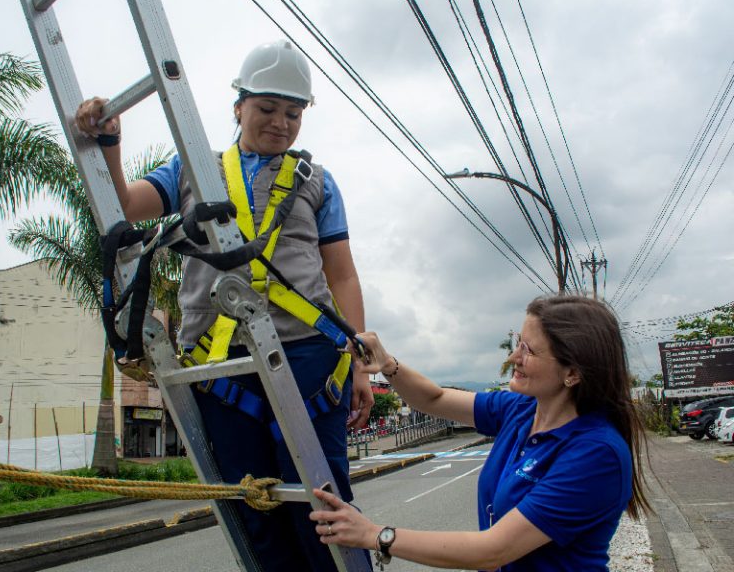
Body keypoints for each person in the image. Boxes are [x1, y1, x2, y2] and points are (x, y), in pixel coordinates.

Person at [75, 40, 373, 571]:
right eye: (267, 109)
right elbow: (126, 206)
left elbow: (342, 273)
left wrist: (360, 364)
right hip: (219, 365)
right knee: (252, 505)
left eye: (293, 113)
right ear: (238, 106)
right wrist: (111, 143)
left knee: (322, 505)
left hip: (307, 352)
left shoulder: (318, 183)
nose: (281, 123)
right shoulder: (192, 169)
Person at [311, 295, 651, 571]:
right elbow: (435, 398)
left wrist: (375, 535)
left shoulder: (596, 453)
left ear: (573, 373)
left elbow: (493, 550)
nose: (514, 356)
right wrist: (388, 365)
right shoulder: (520, 410)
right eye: (519, 342)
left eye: (529, 351)